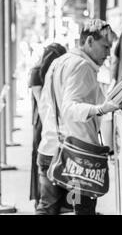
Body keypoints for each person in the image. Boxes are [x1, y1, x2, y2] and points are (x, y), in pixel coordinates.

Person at [36, 19, 122, 215]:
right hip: (76, 155)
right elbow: (70, 107)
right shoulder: (81, 66)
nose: (109, 53)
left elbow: (45, 105)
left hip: (50, 148)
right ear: (90, 41)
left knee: (47, 209)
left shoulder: (59, 62)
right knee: (83, 211)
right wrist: (101, 109)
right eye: (105, 46)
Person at [28, 43, 67, 208]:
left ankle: (51, 200)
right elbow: (42, 105)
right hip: (45, 123)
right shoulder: (38, 73)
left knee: (52, 159)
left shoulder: (39, 71)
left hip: (50, 123)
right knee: (45, 158)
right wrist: (52, 128)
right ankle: (45, 199)